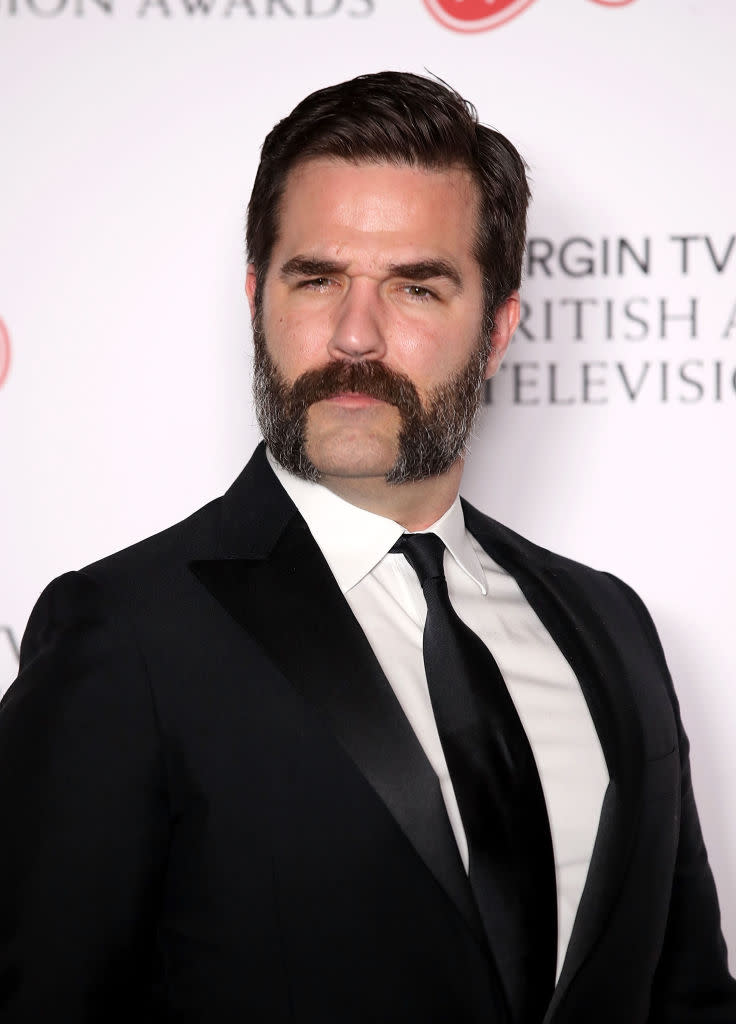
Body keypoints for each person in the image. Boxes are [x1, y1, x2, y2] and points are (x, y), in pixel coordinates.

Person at [0, 72, 734, 1024]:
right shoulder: (125, 632)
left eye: (417, 287)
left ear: (498, 329)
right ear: (258, 297)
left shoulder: (611, 627)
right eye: (317, 280)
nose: (354, 336)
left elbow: (687, 1001)